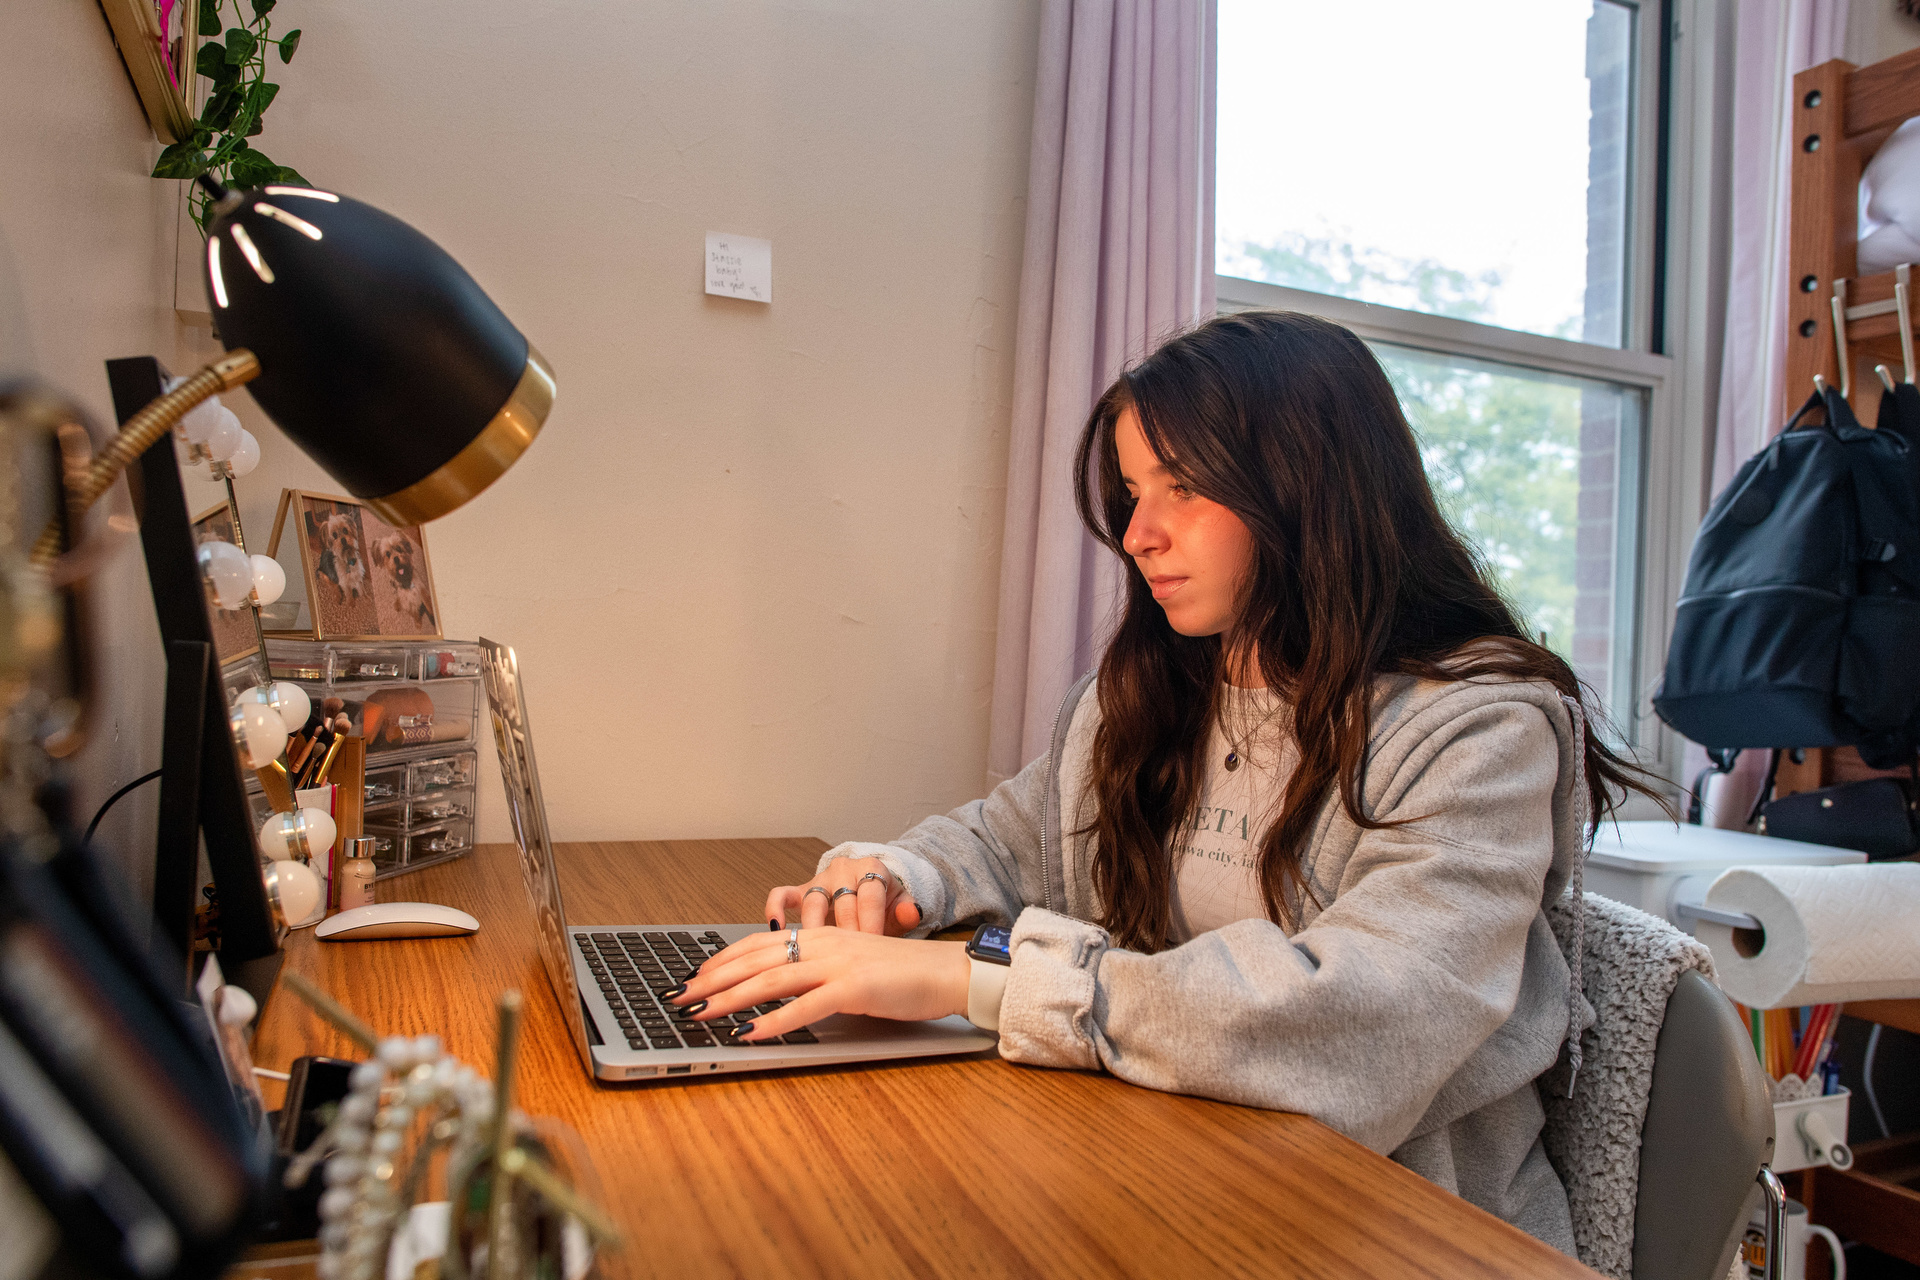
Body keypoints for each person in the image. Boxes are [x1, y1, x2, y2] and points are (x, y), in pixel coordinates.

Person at [666, 310, 1662, 1252]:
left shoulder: (1478, 725)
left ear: (1303, 483)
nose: (1138, 532)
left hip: (1398, 1223)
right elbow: (1009, 836)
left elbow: (1355, 1021)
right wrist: (887, 879)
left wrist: (971, 980)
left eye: (1182, 485)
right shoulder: (1153, 686)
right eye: (1136, 491)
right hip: (1176, 1165)